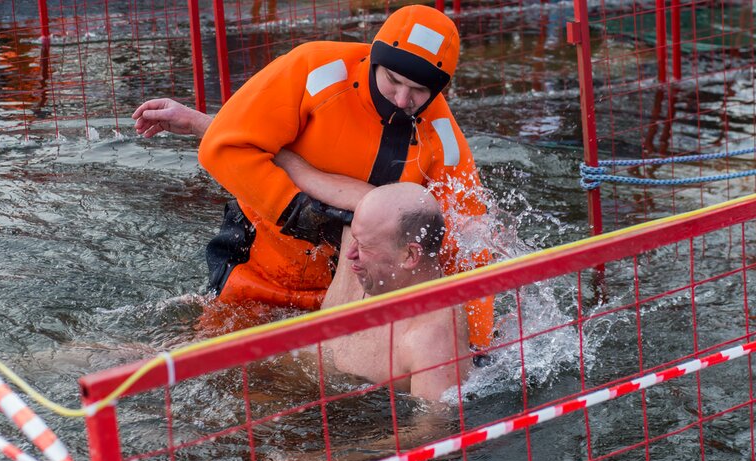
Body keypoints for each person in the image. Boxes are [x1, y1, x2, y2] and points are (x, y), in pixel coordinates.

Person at [132, 5, 494, 349]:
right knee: (214, 361)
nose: (402, 99)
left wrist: (477, 343)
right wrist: (297, 212)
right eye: (393, 80)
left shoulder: (443, 138)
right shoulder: (312, 69)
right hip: (255, 261)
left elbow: (467, 240)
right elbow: (223, 147)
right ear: (375, 58)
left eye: (419, 91)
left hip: (344, 289)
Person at [319, 182, 471, 401]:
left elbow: (432, 429)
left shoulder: (432, 339)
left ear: (409, 255)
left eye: (363, 246)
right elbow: (351, 194)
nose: (349, 254)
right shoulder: (370, 232)